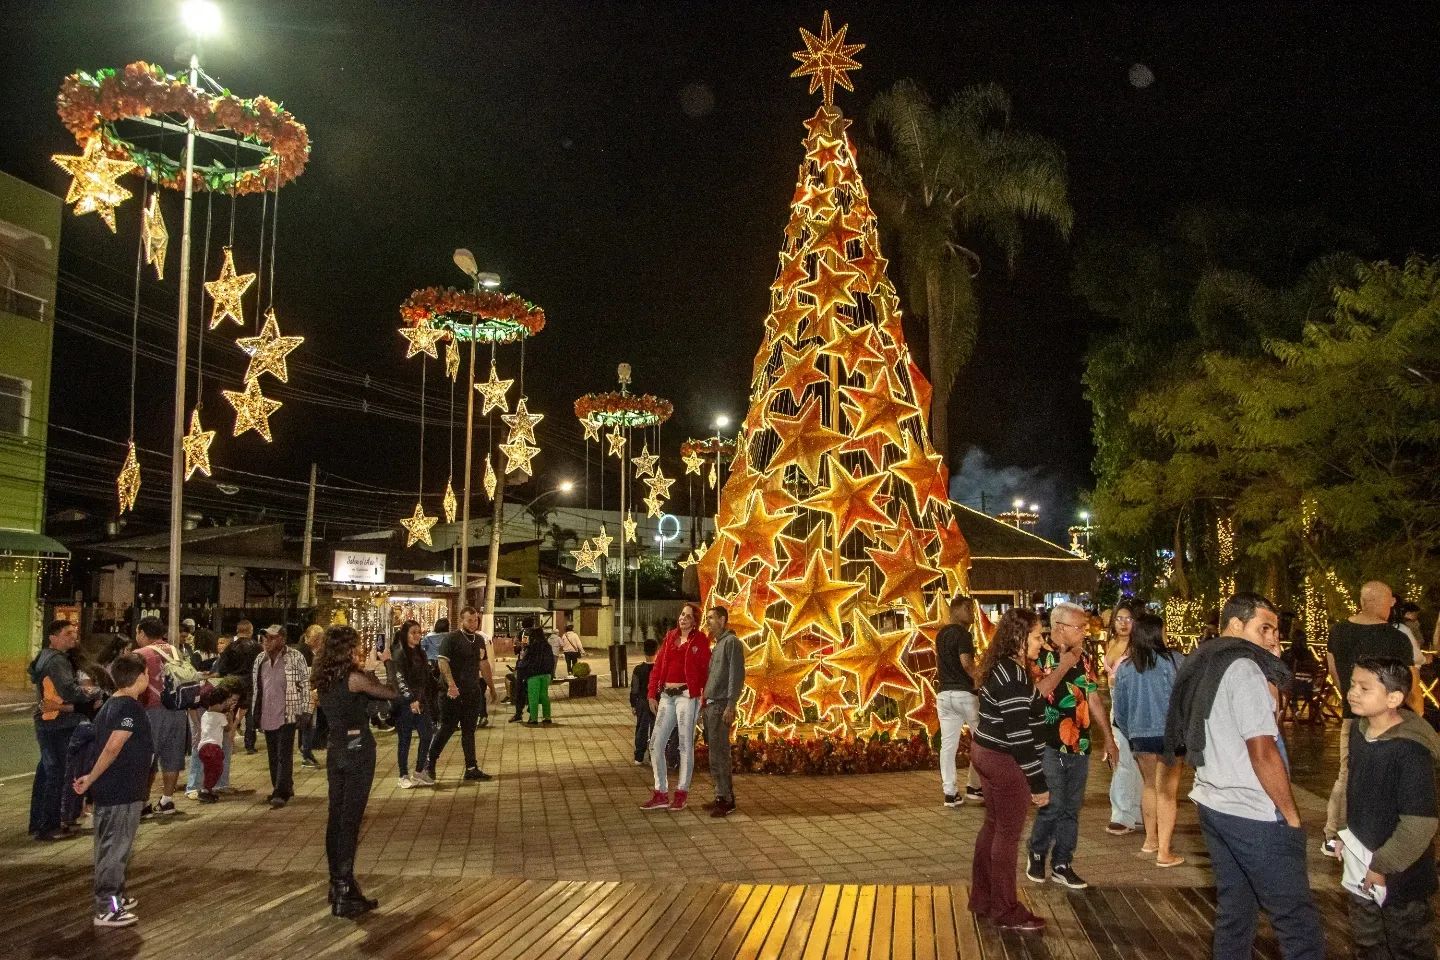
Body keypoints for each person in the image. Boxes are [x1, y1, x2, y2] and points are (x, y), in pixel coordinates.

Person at [1165, 592, 1321, 960]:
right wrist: (1291, 815)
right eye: (1264, 628)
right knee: (1296, 921)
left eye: (1276, 630)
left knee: (1236, 913)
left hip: (1213, 801)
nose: (1273, 638)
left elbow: (1263, 725)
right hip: (1253, 811)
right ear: (1236, 625)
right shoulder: (1245, 669)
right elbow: (1264, 750)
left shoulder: (1207, 660)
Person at [1334, 656, 1439, 959]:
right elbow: (1353, 787)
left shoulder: (1410, 751)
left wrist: (1382, 866)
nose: (1352, 692)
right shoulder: (1358, 730)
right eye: (1352, 684)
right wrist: (1344, 831)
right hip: (1361, 864)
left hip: (1400, 875)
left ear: (1394, 697)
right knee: (1367, 943)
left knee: (1408, 945)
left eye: (1364, 688)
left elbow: (1420, 823)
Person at [1025, 601, 1117, 890]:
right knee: (1053, 804)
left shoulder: (1083, 657)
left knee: (1071, 808)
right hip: (1048, 743)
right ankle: (1037, 851)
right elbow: (1037, 694)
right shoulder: (1038, 655)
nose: (1085, 633)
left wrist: (1109, 739)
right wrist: (1063, 665)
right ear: (1061, 628)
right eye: (1080, 628)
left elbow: (1091, 697)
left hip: (1080, 743)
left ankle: (1063, 862)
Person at [312, 625, 401, 917]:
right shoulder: (353, 678)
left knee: (336, 816)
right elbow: (393, 693)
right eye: (356, 646)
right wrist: (387, 662)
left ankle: (338, 883)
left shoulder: (324, 678)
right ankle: (345, 889)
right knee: (350, 820)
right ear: (347, 649)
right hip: (358, 750)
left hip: (336, 748)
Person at [1324, 580, 1420, 854]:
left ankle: (1333, 834)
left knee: (1347, 772)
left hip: (1351, 715)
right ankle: (1380, 836)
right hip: (1389, 719)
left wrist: (1352, 697)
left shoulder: (1338, 631)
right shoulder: (1396, 638)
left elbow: (1335, 672)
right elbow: (1410, 684)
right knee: (1389, 776)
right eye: (1390, 603)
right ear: (1382, 602)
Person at [969, 608, 1049, 933]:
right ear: (1019, 637)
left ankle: (984, 898)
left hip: (987, 753)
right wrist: (1038, 782)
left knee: (993, 826)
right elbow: (1019, 735)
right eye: (1037, 636)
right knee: (1007, 834)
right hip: (1004, 760)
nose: (1042, 643)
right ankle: (1005, 909)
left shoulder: (1003, 668)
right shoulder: (1013, 674)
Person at [73, 652, 152, 928]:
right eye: (147, 674)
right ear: (140, 677)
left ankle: (117, 895)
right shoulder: (129, 708)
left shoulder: (111, 704)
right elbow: (113, 746)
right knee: (115, 848)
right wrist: (91, 778)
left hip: (116, 789)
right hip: (120, 789)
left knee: (112, 845)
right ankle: (108, 907)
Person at [1110, 612, 1185, 867]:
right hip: (1170, 734)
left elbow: (1119, 708)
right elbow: (1185, 697)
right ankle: (1164, 852)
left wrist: (1131, 730)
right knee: (1167, 792)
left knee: (1149, 786)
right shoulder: (1175, 661)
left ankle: (1150, 840)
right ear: (1157, 633)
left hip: (1140, 735)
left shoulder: (1127, 667)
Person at [29, 619, 102, 840]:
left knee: (46, 773)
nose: (73, 636)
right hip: (57, 722)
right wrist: (92, 693)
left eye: (74, 632)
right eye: (68, 633)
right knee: (56, 774)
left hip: (49, 720)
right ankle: (48, 827)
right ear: (53, 636)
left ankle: (39, 822)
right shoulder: (57, 661)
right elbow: (69, 691)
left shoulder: (45, 657)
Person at [639, 602, 711, 812]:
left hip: (687, 697)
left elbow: (705, 670)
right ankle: (660, 792)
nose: (683, 618)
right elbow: (658, 666)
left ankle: (681, 793)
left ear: (695, 621)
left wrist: (703, 697)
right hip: (667, 697)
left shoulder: (700, 641)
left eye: (688, 616)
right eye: (682, 614)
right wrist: (652, 693)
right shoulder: (670, 637)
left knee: (684, 744)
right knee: (655, 744)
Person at [427, 606, 497, 782]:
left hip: (472, 692)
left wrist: (492, 688)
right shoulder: (451, 639)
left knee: (469, 730)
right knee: (447, 728)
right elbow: (443, 663)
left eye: (476, 620)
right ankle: (430, 763)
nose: (473, 624)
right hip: (452, 693)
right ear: (462, 620)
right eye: (470, 620)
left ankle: (471, 768)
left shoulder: (480, 640)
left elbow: (483, 665)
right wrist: (451, 684)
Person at [133, 617, 190, 817]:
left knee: (147, 757)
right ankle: (167, 800)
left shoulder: (140, 654)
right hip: (177, 709)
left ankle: (142, 802)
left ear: (141, 632)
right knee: (172, 756)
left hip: (151, 710)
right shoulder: (176, 651)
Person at [250, 624, 311, 809]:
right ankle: (283, 785)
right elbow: (256, 688)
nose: (267, 641)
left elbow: (305, 683)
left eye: (272, 638)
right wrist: (255, 713)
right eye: (265, 638)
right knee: (272, 753)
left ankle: (281, 791)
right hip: (267, 712)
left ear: (282, 639)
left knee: (284, 753)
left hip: (288, 711)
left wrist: (306, 709)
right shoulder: (260, 659)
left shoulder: (295, 657)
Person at [936, 594, 983, 807]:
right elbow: (966, 663)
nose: (972, 613)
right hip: (965, 694)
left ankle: (950, 793)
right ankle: (974, 786)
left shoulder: (941, 634)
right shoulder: (963, 634)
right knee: (981, 741)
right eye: (968, 609)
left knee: (948, 746)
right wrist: (979, 680)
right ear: (956, 610)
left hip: (944, 695)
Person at [1103, 600, 1144, 835]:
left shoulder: (1138, 648)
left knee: (1127, 762)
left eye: (1129, 619)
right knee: (1123, 760)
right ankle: (1133, 812)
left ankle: (1123, 814)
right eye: (1119, 618)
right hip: (1115, 707)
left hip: (1133, 708)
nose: (1123, 623)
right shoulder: (1112, 643)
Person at [701, 607, 744, 818]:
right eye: (707, 618)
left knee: (720, 754)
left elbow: (735, 676)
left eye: (711, 618)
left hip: (720, 706)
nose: (707, 622)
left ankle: (726, 799)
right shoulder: (718, 645)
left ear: (722, 619)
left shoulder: (731, 643)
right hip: (711, 705)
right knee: (714, 754)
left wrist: (731, 704)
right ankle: (720, 795)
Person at [390, 620, 436, 788]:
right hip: (405, 703)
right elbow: (398, 679)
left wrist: (422, 698)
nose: (417, 636)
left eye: (419, 632)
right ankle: (403, 774)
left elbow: (424, 679)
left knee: (427, 734)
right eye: (413, 632)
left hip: (421, 701)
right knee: (405, 738)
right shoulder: (400, 654)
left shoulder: (421, 653)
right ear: (405, 634)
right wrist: (410, 699)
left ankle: (418, 771)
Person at [214, 619, 260, 752]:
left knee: (230, 711)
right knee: (250, 714)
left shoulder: (230, 647)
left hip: (233, 683)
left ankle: (228, 742)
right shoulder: (257, 647)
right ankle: (250, 745)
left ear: (238, 631)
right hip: (250, 683)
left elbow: (222, 669)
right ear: (250, 631)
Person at [194, 684, 240, 803]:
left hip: (203, 747)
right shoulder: (220, 716)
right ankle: (205, 790)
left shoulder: (205, 714)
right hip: (213, 747)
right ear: (220, 703)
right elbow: (228, 728)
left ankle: (207, 790)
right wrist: (230, 717)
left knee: (208, 769)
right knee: (217, 769)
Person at [517, 620, 557, 726]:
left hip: (534, 675)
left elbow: (526, 661)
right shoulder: (547, 646)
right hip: (546, 675)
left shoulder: (532, 647)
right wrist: (551, 673)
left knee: (533, 696)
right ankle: (547, 717)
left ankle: (533, 719)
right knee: (544, 696)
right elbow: (552, 661)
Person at [297, 624, 325, 767]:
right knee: (308, 723)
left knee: (310, 723)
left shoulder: (313, 652)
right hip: (307, 693)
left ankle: (306, 750)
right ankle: (306, 752)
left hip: (311, 692)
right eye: (316, 638)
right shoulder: (303, 652)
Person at [630, 638, 658, 765]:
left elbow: (634, 688)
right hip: (657, 701)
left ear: (644, 651)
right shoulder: (659, 668)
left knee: (641, 728)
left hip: (641, 701)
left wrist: (633, 704)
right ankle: (653, 756)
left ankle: (639, 756)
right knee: (655, 728)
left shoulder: (638, 669)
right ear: (656, 651)